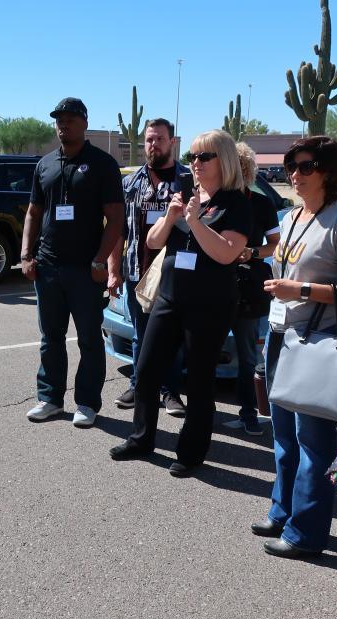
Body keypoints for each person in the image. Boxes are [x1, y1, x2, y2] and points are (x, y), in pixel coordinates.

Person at [248, 136, 337, 558]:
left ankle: (306, 532)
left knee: (313, 444)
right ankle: (282, 511)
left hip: (317, 343)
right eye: (290, 167)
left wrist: (298, 289)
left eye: (304, 167)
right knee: (282, 436)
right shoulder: (289, 217)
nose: (294, 175)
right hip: (282, 336)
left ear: (328, 172)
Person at [109, 129, 250, 476]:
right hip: (170, 296)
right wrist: (172, 217)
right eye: (193, 157)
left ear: (224, 160)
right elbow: (155, 241)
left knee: (199, 381)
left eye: (204, 157)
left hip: (209, 303)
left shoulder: (236, 201)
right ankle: (141, 438)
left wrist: (193, 221)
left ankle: (190, 452)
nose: (196, 164)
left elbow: (227, 252)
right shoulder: (185, 192)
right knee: (146, 370)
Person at [21, 97, 123, 428]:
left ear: (84, 122)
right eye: (58, 120)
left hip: (85, 270)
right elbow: (34, 212)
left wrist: (100, 261)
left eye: (69, 119)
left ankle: (88, 403)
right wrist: (26, 254)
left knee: (89, 339)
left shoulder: (102, 164)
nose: (63, 124)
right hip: (48, 267)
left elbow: (116, 219)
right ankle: (50, 398)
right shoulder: (45, 164)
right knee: (50, 337)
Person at [114, 118, 191, 415]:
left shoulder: (187, 180)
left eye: (159, 139)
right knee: (140, 334)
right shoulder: (130, 182)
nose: (153, 145)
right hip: (137, 270)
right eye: (148, 139)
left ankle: (170, 392)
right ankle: (139, 384)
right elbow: (120, 229)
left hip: (175, 273)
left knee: (171, 337)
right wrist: (113, 268)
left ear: (172, 142)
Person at [231, 142, 281, 435]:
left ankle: (248, 413)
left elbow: (274, 245)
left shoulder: (261, 203)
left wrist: (252, 252)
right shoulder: (209, 201)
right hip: (212, 288)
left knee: (247, 355)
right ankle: (205, 412)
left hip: (248, 288)